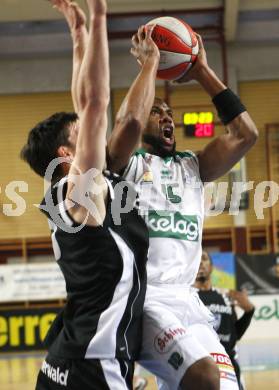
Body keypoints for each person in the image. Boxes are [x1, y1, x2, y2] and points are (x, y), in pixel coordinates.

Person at [56, 1, 259, 389]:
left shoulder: (193, 166)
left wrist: (200, 69)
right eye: (158, 111)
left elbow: (245, 135)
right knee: (203, 378)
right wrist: (150, 62)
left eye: (170, 113)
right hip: (145, 299)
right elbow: (129, 120)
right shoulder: (122, 164)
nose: (167, 117)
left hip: (188, 302)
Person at [21, 1, 149, 389]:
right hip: (92, 365)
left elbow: (87, 104)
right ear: (65, 155)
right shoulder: (76, 191)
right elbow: (93, 103)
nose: (95, 130)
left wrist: (79, 38)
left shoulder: (78, 189)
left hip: (70, 360)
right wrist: (99, 17)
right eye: (81, 133)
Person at [194, 250, 255, 390]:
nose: (200, 263)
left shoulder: (226, 296)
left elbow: (234, 335)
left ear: (211, 266)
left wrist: (249, 312)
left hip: (229, 367)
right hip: (200, 367)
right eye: (196, 259)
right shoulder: (186, 298)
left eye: (204, 259)